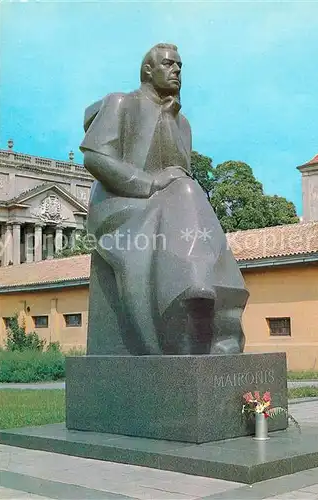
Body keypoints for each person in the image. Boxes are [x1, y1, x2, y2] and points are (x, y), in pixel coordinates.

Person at [80, 43, 249, 355]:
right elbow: (95, 157)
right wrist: (150, 182)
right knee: (185, 191)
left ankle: (212, 308)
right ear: (148, 70)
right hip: (121, 205)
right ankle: (192, 306)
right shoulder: (121, 103)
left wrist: (170, 122)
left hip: (169, 205)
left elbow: (180, 173)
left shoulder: (181, 123)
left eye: (180, 66)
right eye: (170, 64)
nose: (177, 71)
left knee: (187, 190)